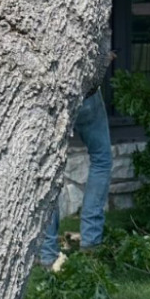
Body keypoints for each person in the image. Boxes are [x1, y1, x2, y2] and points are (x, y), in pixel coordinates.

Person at [40, 42, 113, 267]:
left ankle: (47, 253)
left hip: (50, 93)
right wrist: (107, 57)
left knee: (48, 169)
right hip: (85, 92)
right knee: (101, 157)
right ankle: (91, 241)